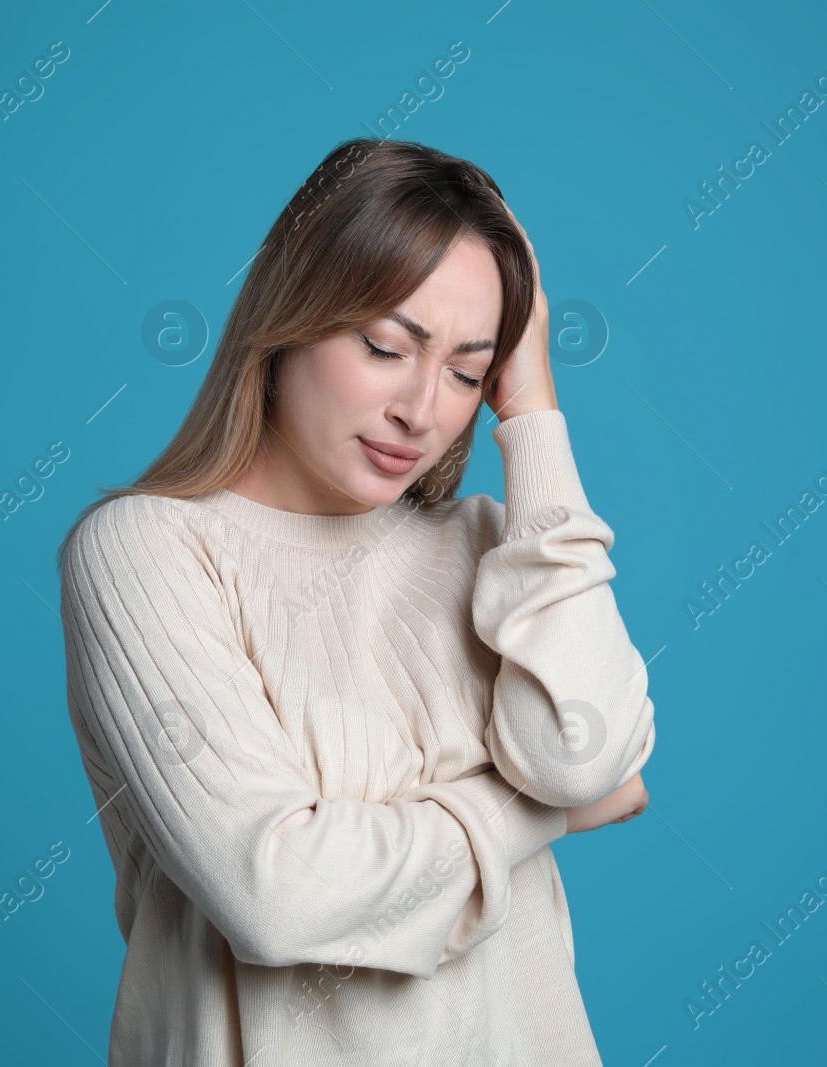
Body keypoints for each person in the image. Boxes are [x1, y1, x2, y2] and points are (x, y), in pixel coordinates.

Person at [56, 137, 657, 1065]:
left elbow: (579, 754)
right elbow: (277, 894)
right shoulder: (148, 550)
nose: (422, 409)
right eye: (386, 346)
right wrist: (537, 816)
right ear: (292, 315)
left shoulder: (499, 548)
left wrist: (532, 407)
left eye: (467, 371)